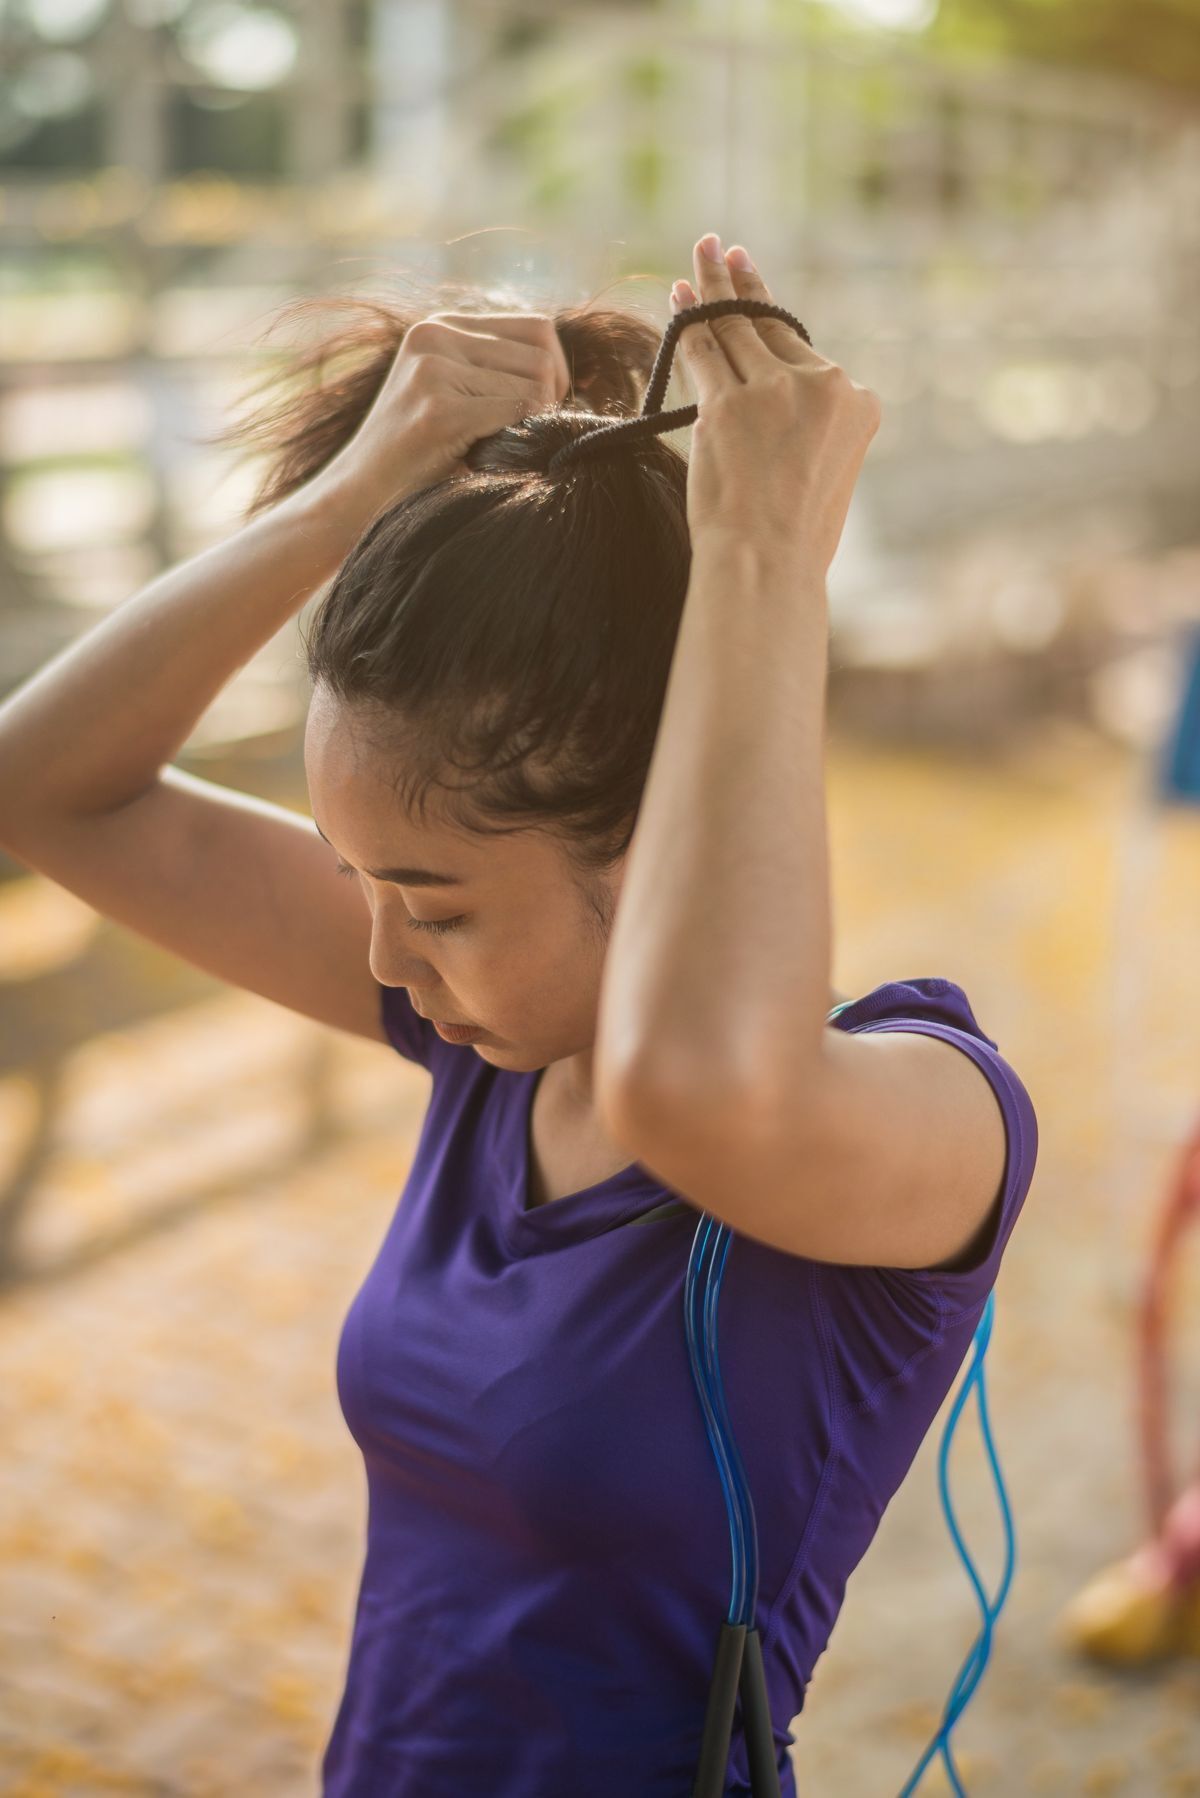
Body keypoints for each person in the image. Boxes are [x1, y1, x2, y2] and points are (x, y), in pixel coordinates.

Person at [0, 234, 1040, 1797]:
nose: (387, 961)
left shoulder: (925, 1111)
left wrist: (761, 554)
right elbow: (48, 787)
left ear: (646, 826)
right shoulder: (490, 1048)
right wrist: (356, 491)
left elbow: (697, 1084)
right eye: (359, 881)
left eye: (436, 902)